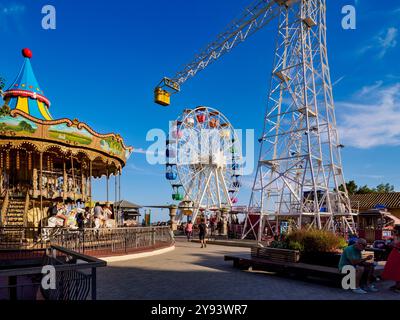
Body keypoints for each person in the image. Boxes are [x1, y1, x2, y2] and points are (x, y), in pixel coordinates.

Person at [382, 226, 400, 293]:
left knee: (398, 270)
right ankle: (397, 285)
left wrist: (394, 245)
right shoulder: (396, 236)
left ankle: (399, 287)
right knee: (395, 270)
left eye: (395, 231)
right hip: (395, 255)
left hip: (398, 255)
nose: (393, 232)